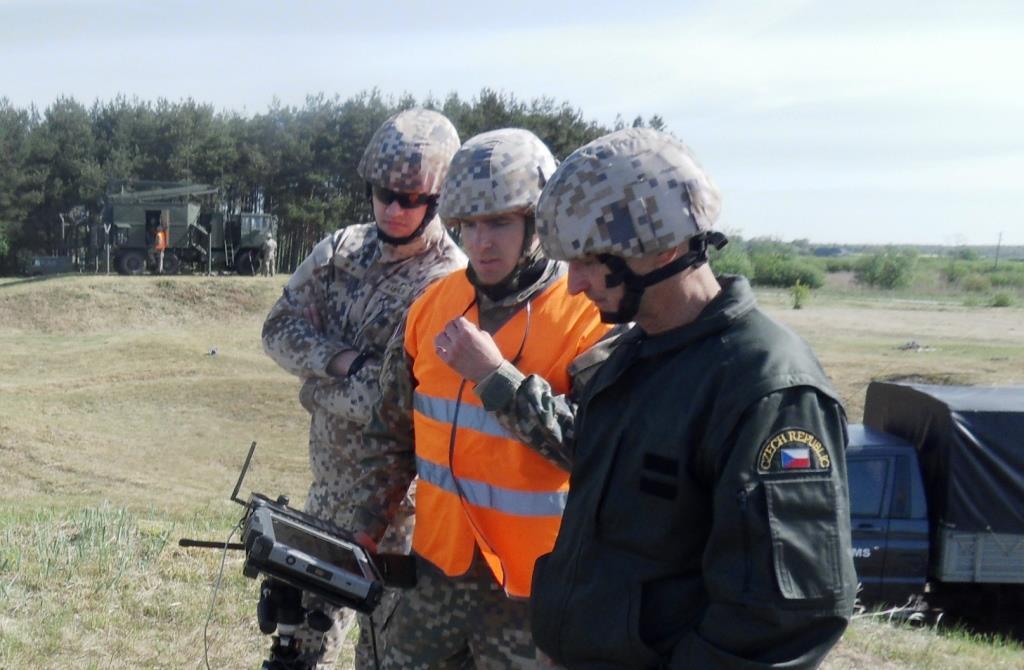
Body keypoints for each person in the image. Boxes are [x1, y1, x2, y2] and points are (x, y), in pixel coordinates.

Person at [525, 128, 858, 669]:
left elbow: (782, 620)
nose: (574, 285)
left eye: (589, 260)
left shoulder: (767, 388)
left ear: (666, 247)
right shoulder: (630, 358)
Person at [359, 128, 611, 669]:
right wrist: (367, 523)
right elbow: (390, 434)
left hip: (533, 591)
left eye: (498, 222)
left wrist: (496, 377)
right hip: (436, 574)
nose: (481, 243)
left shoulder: (589, 315)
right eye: (468, 225)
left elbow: (601, 451)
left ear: (539, 223)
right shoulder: (431, 308)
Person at [261, 108, 465, 668]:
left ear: (440, 198)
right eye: (383, 193)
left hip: (401, 509)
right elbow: (278, 330)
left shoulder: (450, 284)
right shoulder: (340, 251)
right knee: (299, 643)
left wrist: (315, 387)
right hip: (326, 488)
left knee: (385, 655)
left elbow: (394, 404)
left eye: (411, 199)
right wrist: (343, 361)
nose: (394, 209)